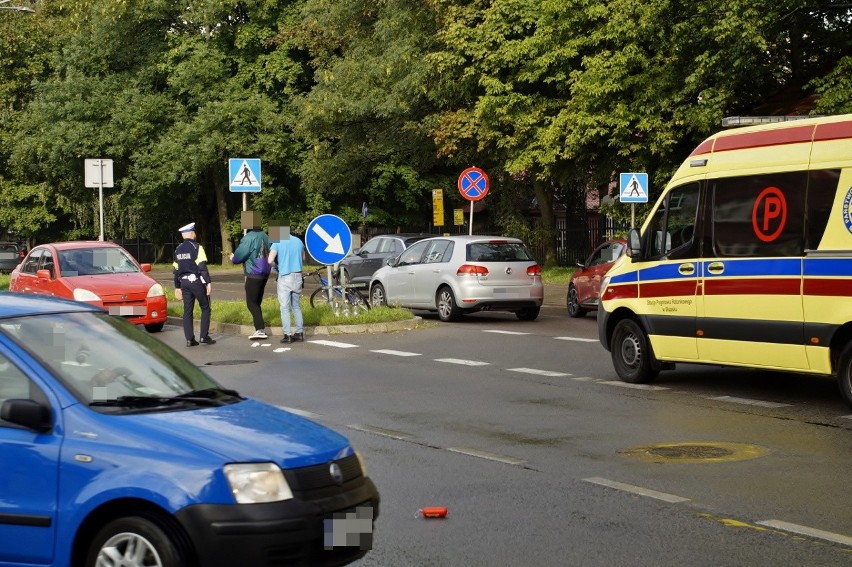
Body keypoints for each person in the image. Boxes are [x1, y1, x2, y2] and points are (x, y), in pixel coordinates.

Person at [173, 222, 216, 347]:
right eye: (194, 232)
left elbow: (175, 271)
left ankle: (189, 339)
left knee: (187, 311)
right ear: (192, 234)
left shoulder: (178, 249)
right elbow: (202, 267)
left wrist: (177, 287)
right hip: (196, 281)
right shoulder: (197, 247)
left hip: (184, 283)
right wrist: (208, 282)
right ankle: (204, 336)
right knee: (205, 307)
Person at [230, 218, 272, 340]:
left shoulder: (249, 237)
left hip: (254, 272)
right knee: (257, 301)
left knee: (251, 303)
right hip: (265, 272)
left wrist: (233, 258)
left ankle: (260, 329)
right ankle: (259, 327)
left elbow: (240, 256)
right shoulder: (266, 235)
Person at [268, 227, 305, 344]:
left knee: (284, 307)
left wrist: (276, 267)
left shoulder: (277, 243)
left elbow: (270, 260)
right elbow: (303, 258)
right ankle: (299, 333)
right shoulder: (299, 241)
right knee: (296, 306)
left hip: (285, 276)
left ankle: (287, 335)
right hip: (298, 276)